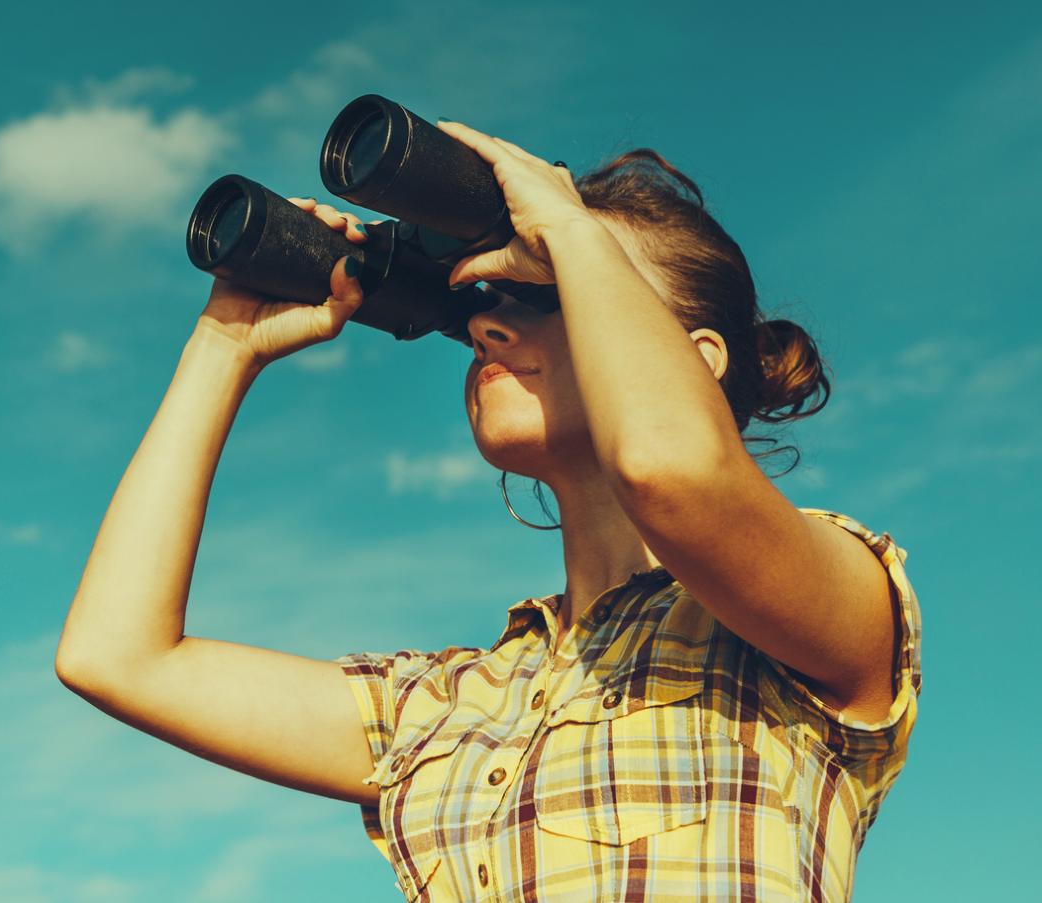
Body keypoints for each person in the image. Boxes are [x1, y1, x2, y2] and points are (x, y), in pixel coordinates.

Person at [56, 119, 920, 902]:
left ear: (698, 361)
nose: (486, 330)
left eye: (545, 289)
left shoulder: (814, 620)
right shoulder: (447, 707)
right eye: (480, 303)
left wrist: (572, 230)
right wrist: (225, 343)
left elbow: (674, 471)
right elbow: (116, 656)